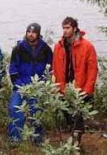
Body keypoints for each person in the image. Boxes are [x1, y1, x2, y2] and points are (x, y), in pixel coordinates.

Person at [52, 17, 98, 146]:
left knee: (78, 118)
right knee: (68, 117)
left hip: (80, 89)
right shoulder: (58, 46)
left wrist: (88, 89)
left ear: (75, 28)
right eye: (64, 28)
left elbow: (92, 69)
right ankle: (73, 143)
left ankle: (76, 145)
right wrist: (56, 87)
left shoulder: (87, 46)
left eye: (67, 28)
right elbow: (55, 68)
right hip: (64, 88)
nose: (65, 31)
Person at [8, 23, 53, 145]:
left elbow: (50, 69)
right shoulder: (18, 48)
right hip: (21, 86)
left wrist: (42, 83)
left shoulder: (45, 49)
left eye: (33, 32)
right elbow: (13, 70)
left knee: (37, 110)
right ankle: (15, 140)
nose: (30, 34)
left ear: (38, 34)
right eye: (29, 32)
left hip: (38, 86)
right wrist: (20, 85)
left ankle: (37, 139)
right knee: (14, 108)